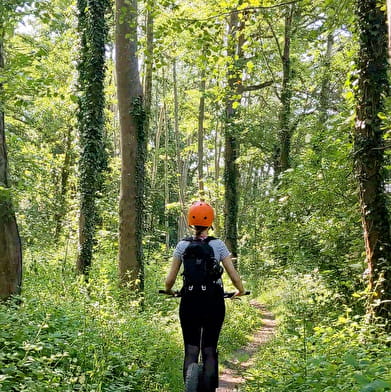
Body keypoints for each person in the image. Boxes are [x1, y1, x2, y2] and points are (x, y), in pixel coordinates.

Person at [164, 200, 246, 392]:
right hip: (213, 302)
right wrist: (240, 290)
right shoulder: (218, 245)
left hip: (189, 301)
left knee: (191, 349)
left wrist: (170, 291)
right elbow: (234, 276)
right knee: (209, 348)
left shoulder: (182, 245)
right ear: (211, 222)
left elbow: (169, 280)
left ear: (190, 221)